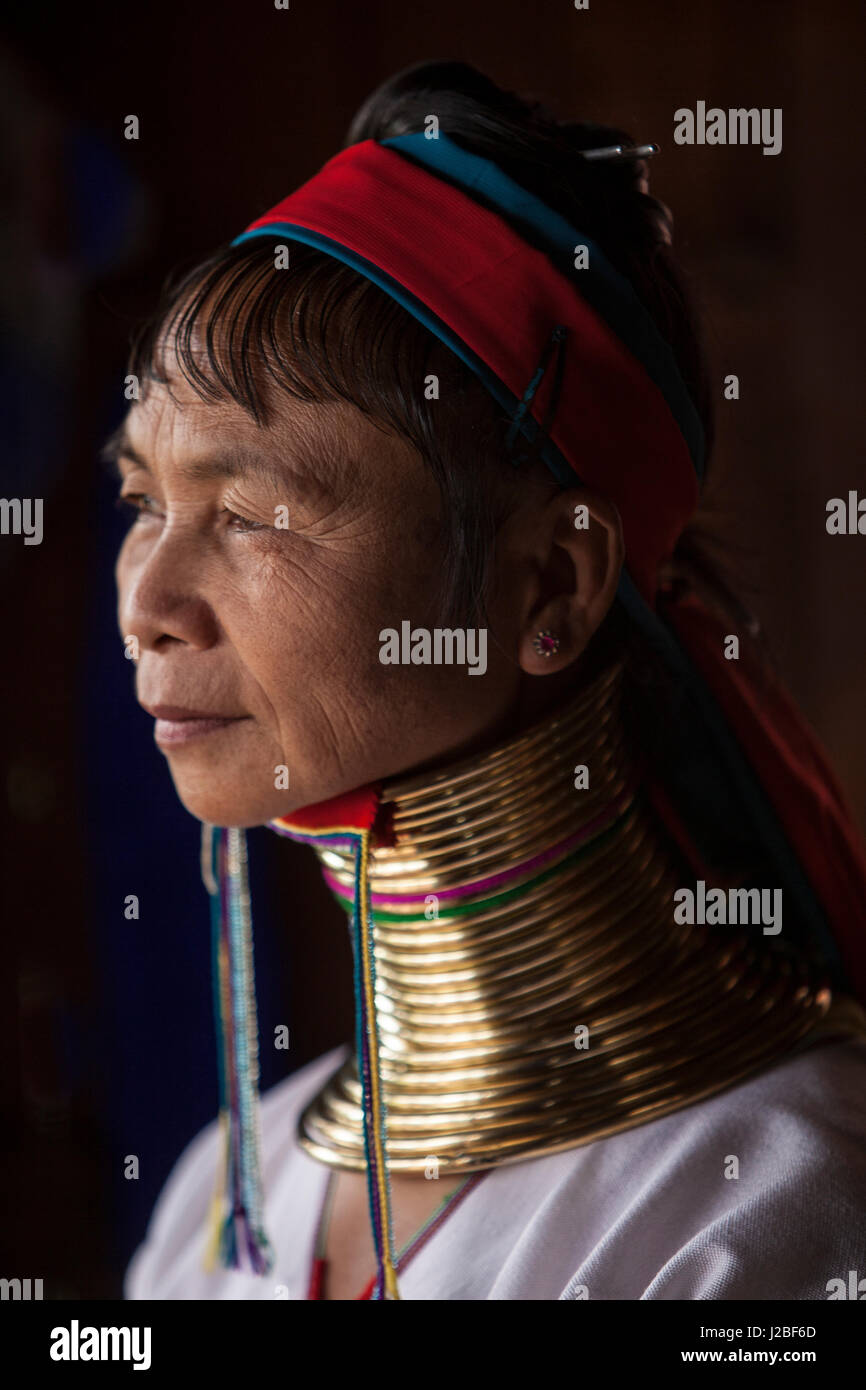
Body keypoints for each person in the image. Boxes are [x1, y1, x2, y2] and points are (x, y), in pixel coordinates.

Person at [117, 61, 866, 1301]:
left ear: (550, 587)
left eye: (253, 510)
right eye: (144, 499)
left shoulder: (771, 1211)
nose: (146, 601)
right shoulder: (230, 1192)